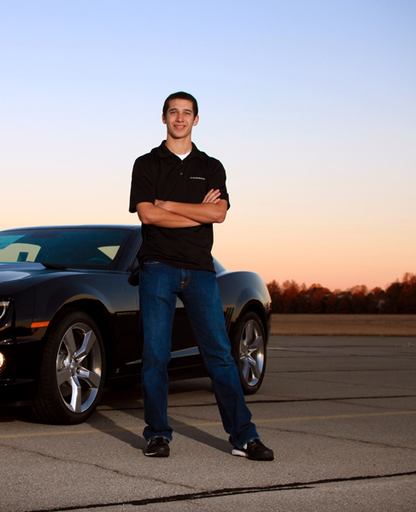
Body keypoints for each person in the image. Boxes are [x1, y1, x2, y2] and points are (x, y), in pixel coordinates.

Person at [128, 91, 274, 460]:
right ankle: (157, 435)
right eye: (173, 112)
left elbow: (219, 214)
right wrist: (197, 213)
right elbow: (147, 215)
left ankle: (244, 437)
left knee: (220, 356)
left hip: (200, 271)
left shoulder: (211, 167)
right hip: (157, 267)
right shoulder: (146, 164)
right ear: (163, 118)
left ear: (196, 120)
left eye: (186, 113)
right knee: (155, 356)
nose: (180, 118)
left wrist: (169, 205)